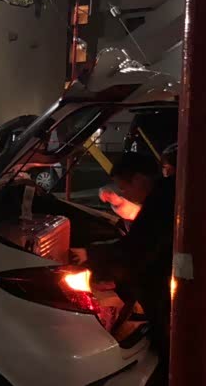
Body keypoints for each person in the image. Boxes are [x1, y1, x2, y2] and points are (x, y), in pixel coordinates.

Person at [71, 153, 176, 357]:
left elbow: (137, 249)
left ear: (138, 179)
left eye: (123, 187)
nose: (124, 193)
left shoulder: (161, 202)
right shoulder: (165, 194)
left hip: (170, 299)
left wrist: (89, 255)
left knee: (169, 343)